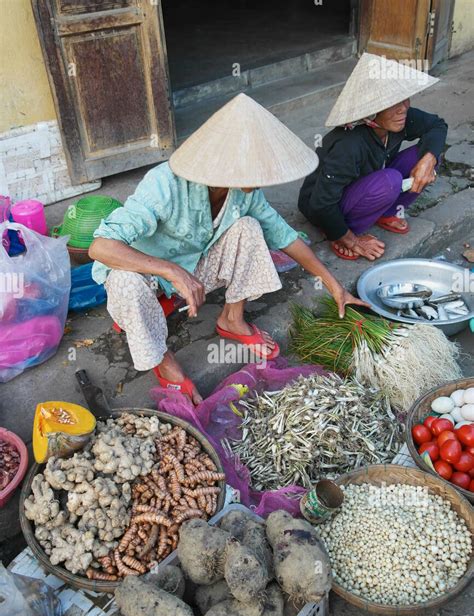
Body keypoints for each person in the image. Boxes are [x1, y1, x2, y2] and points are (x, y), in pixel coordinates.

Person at [90, 94, 366, 404]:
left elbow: (283, 236)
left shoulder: (244, 192)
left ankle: (232, 319)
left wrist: (333, 285)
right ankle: (163, 361)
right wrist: (170, 270)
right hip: (144, 277)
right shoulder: (165, 184)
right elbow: (101, 247)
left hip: (193, 271)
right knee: (126, 282)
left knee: (249, 228)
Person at [298, 53, 448, 261]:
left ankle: (386, 212)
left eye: (404, 100)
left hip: (368, 184)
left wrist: (428, 159)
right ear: (370, 114)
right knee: (390, 181)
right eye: (392, 104)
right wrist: (350, 239)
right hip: (323, 206)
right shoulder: (349, 145)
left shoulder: (400, 120)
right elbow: (321, 205)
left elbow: (437, 125)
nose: (403, 109)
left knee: (427, 155)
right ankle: (339, 231)